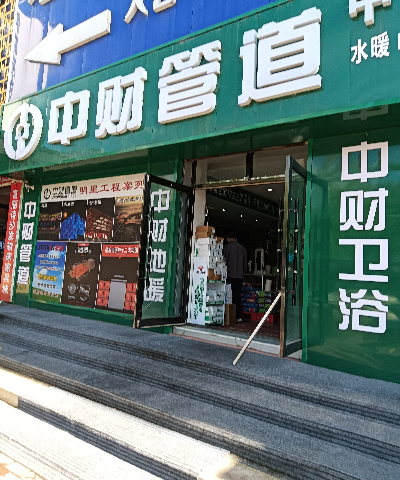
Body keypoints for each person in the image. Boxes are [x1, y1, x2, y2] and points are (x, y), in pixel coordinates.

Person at [223, 231, 247, 322]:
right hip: (239, 276)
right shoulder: (243, 248)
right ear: (236, 239)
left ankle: (229, 316)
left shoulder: (227, 247)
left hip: (229, 275)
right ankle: (238, 316)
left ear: (227, 239)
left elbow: (224, 261)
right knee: (237, 296)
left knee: (228, 296)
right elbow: (245, 264)